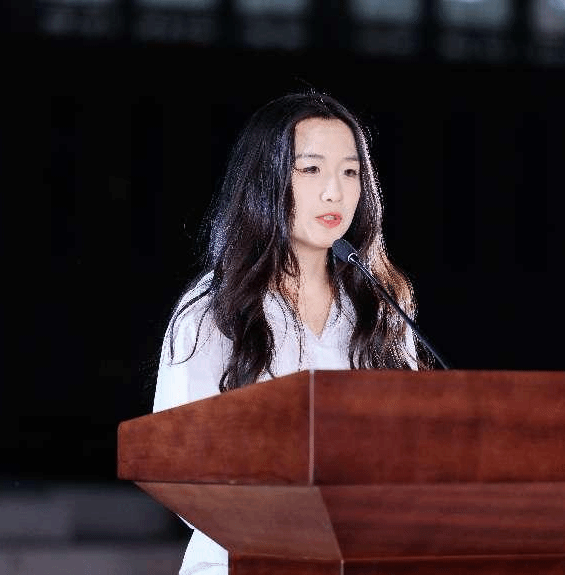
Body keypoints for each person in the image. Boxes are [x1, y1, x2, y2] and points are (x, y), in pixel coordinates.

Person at [152, 90, 430, 575]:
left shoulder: (379, 308)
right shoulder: (215, 309)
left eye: (350, 173)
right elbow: (178, 462)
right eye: (311, 169)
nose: (334, 192)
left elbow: (414, 450)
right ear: (268, 179)